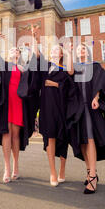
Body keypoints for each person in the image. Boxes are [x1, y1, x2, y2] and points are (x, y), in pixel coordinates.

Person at [0, 32, 39, 184]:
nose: (14, 52)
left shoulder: (23, 68)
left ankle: (16, 166)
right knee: (6, 134)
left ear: (19, 54)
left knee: (15, 136)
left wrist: (34, 41)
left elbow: (35, 58)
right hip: (5, 103)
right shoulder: (5, 65)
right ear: (9, 55)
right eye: (12, 51)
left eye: (17, 51)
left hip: (18, 103)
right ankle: (7, 168)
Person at [69, 43, 105, 194]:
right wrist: (69, 51)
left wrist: (96, 97)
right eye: (79, 49)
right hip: (78, 109)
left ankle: (92, 176)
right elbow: (69, 78)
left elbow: (101, 83)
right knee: (83, 142)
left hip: (91, 108)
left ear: (88, 51)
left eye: (83, 48)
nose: (81, 50)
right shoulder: (75, 68)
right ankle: (89, 171)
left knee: (90, 139)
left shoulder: (95, 66)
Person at [31, 27, 77, 187]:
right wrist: (36, 39)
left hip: (62, 109)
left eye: (58, 50)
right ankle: (52, 172)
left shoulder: (65, 70)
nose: (54, 52)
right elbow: (37, 56)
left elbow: (70, 78)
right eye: (53, 50)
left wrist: (55, 84)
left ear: (62, 54)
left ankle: (62, 169)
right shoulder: (46, 67)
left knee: (62, 139)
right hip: (46, 108)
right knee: (49, 137)